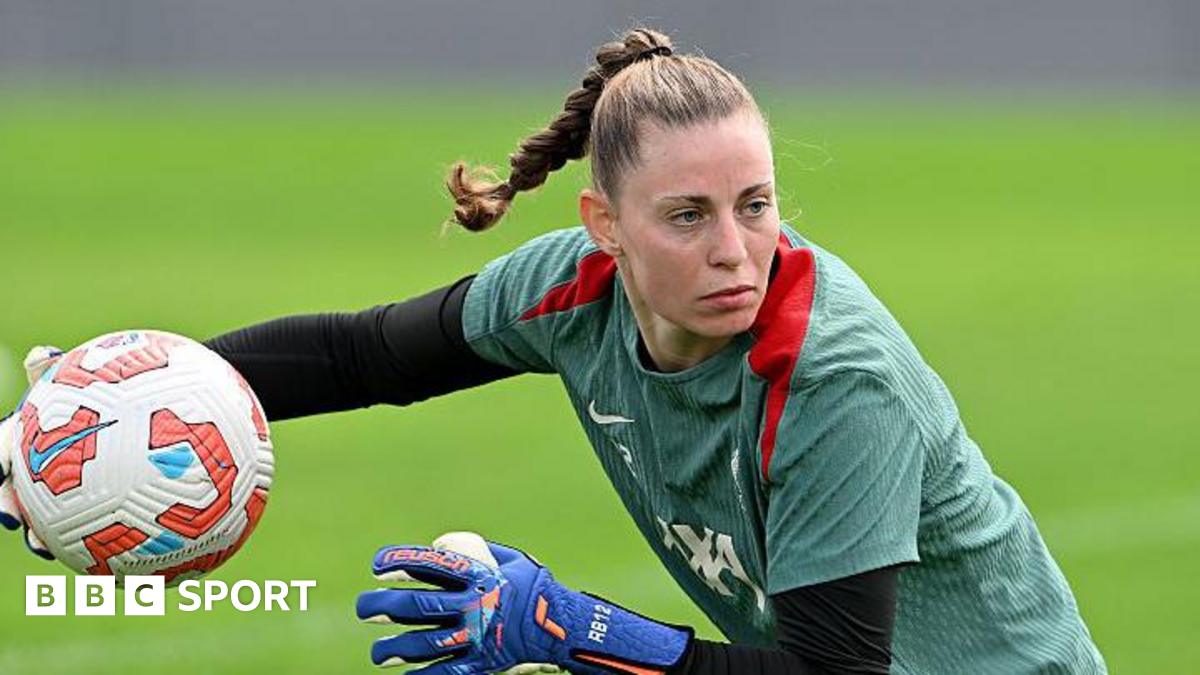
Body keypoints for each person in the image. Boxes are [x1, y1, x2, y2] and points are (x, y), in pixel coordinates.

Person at [0, 27, 1106, 675]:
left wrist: (580, 629)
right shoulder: (569, 292)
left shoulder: (831, 384)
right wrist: (99, 416)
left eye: (757, 205)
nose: (738, 253)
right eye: (688, 216)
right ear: (603, 228)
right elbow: (358, 359)